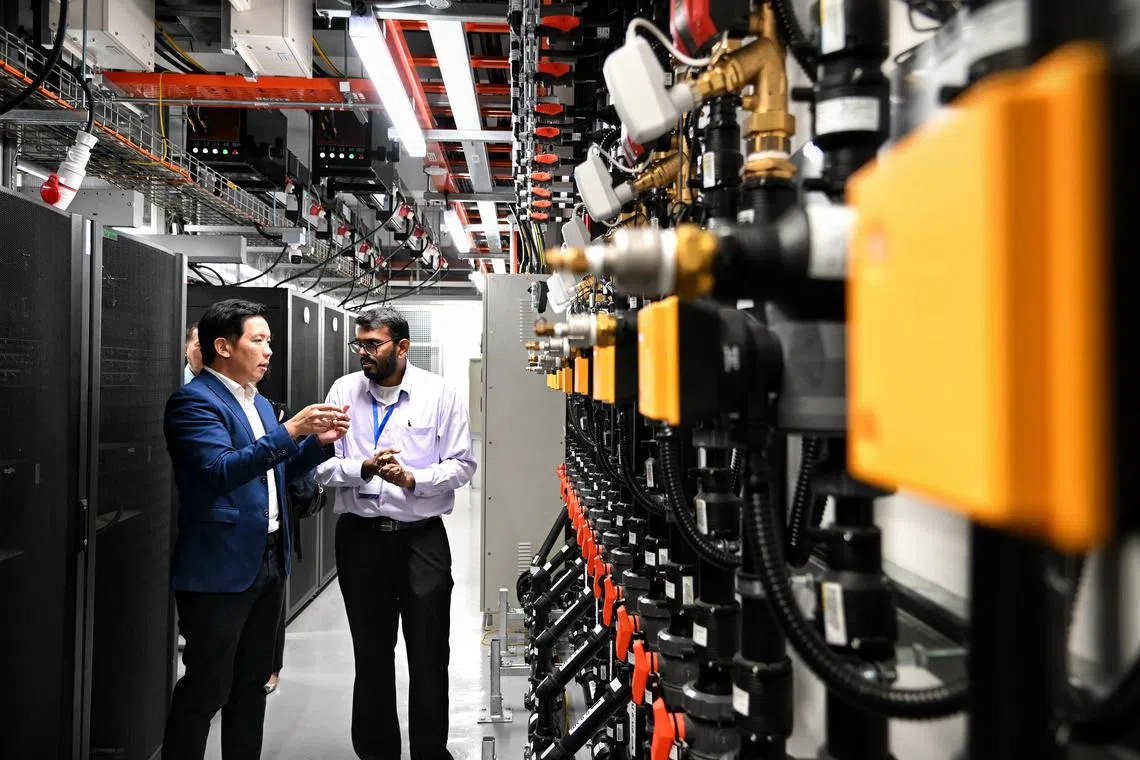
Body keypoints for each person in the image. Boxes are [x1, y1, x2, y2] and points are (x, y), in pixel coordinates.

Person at [163, 298, 351, 760]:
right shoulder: (192, 403)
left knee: (251, 684)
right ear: (223, 346)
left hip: (268, 559)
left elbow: (277, 470)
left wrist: (315, 445)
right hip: (220, 569)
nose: (269, 351)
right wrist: (291, 431)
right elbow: (221, 470)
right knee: (207, 686)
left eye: (270, 341)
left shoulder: (259, 403)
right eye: (259, 340)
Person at [315, 306, 476, 760]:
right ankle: (376, 751)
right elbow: (321, 466)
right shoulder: (344, 392)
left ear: (402, 347)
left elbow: (463, 464)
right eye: (359, 344)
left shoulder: (438, 394)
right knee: (371, 654)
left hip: (421, 538)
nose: (363, 353)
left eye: (373, 344)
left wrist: (413, 480)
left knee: (428, 655)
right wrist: (360, 467)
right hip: (360, 539)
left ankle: (429, 752)